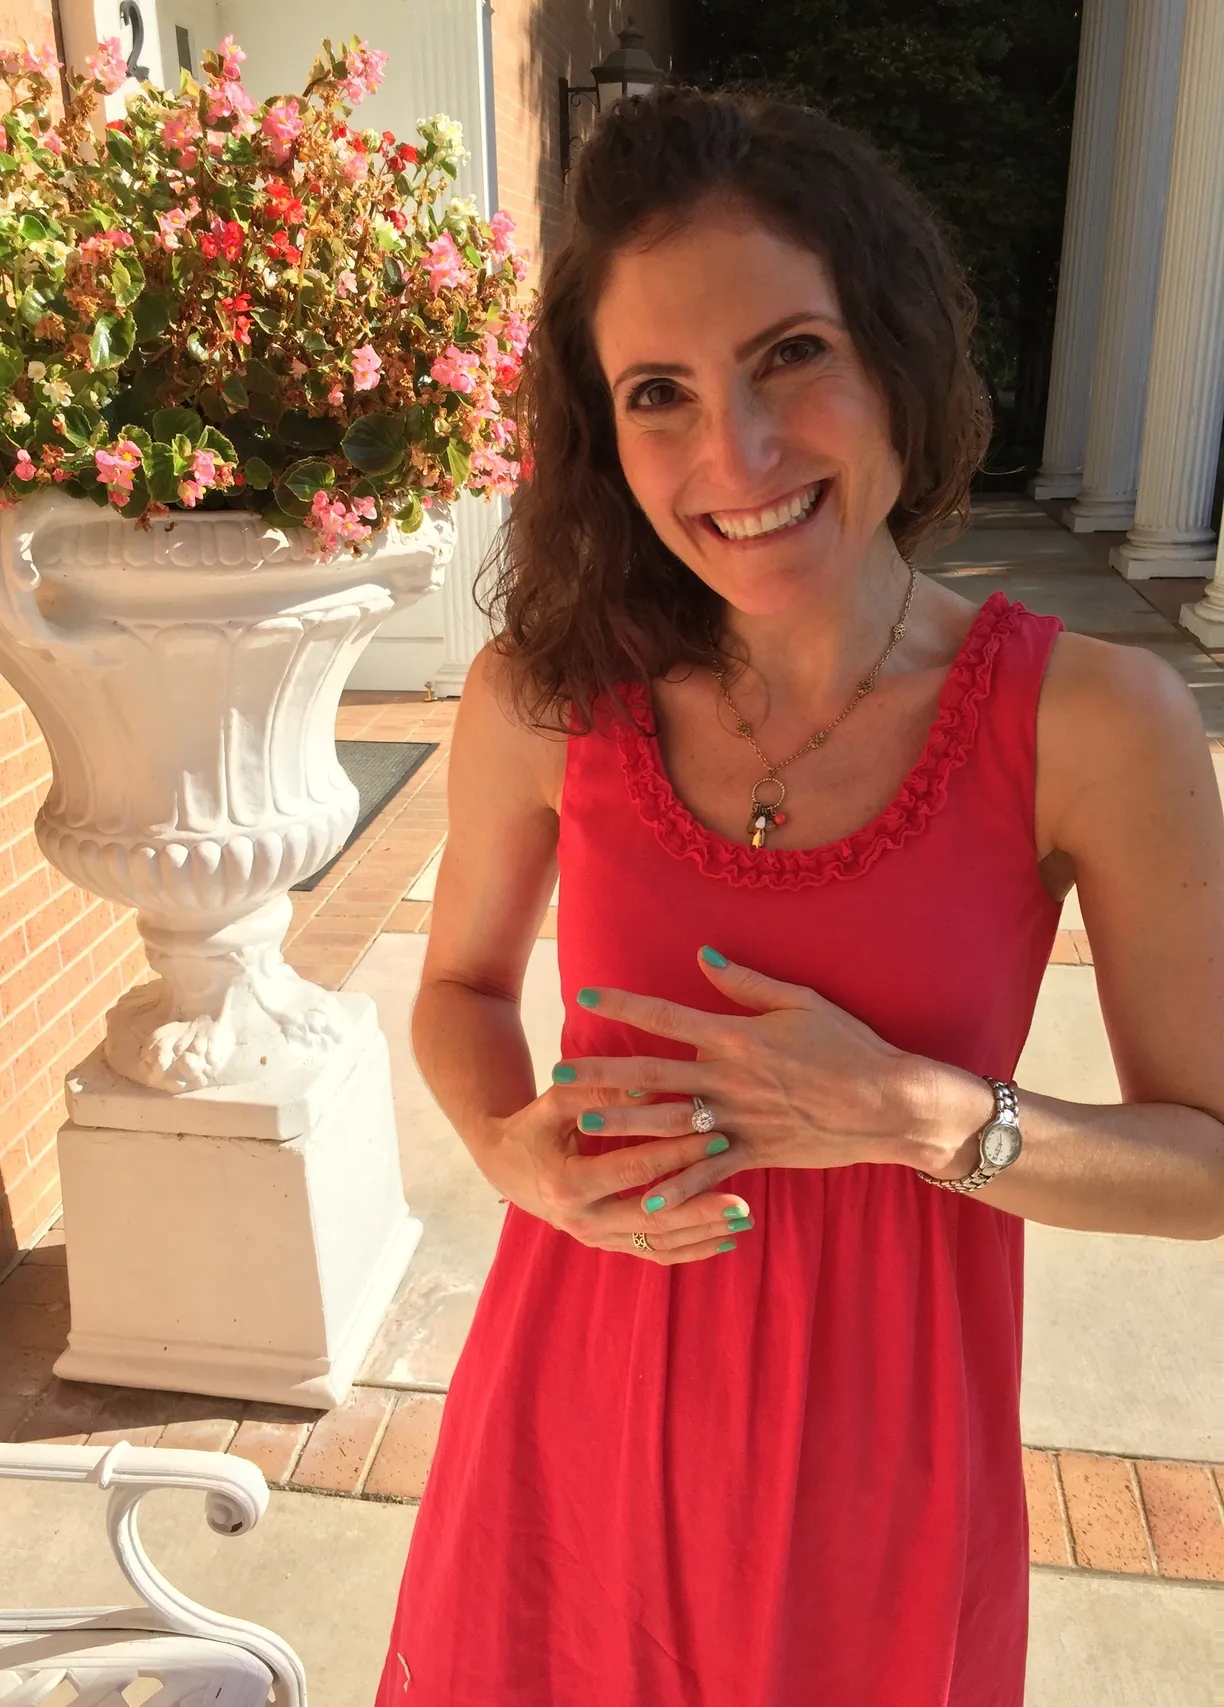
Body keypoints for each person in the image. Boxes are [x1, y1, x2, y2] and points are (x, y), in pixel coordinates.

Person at [374, 84, 1224, 1707]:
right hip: (569, 1429)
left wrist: (929, 1115)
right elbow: (460, 991)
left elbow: (1207, 1165)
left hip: (877, 1497)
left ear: (894, 352)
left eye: (789, 355)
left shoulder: (1093, 723)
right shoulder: (544, 696)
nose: (736, 455)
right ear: (602, 436)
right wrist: (504, 1152)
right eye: (658, 394)